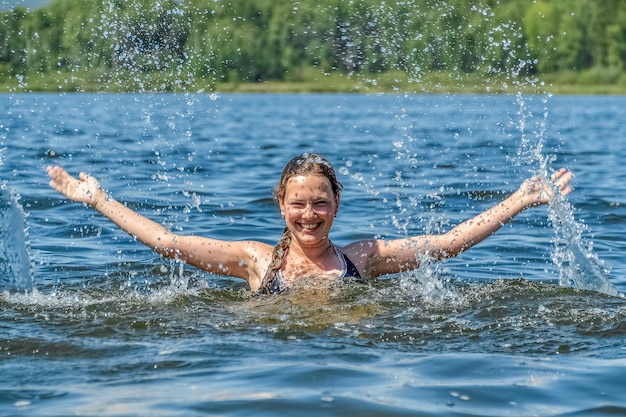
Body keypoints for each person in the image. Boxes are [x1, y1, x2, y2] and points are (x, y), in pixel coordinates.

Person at [47, 153, 573, 294]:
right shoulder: (258, 261)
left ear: (336, 206)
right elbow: (168, 242)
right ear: (281, 205)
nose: (309, 215)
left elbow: (447, 243)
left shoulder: (362, 259)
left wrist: (519, 200)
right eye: (298, 204)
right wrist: (97, 200)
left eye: (319, 203)